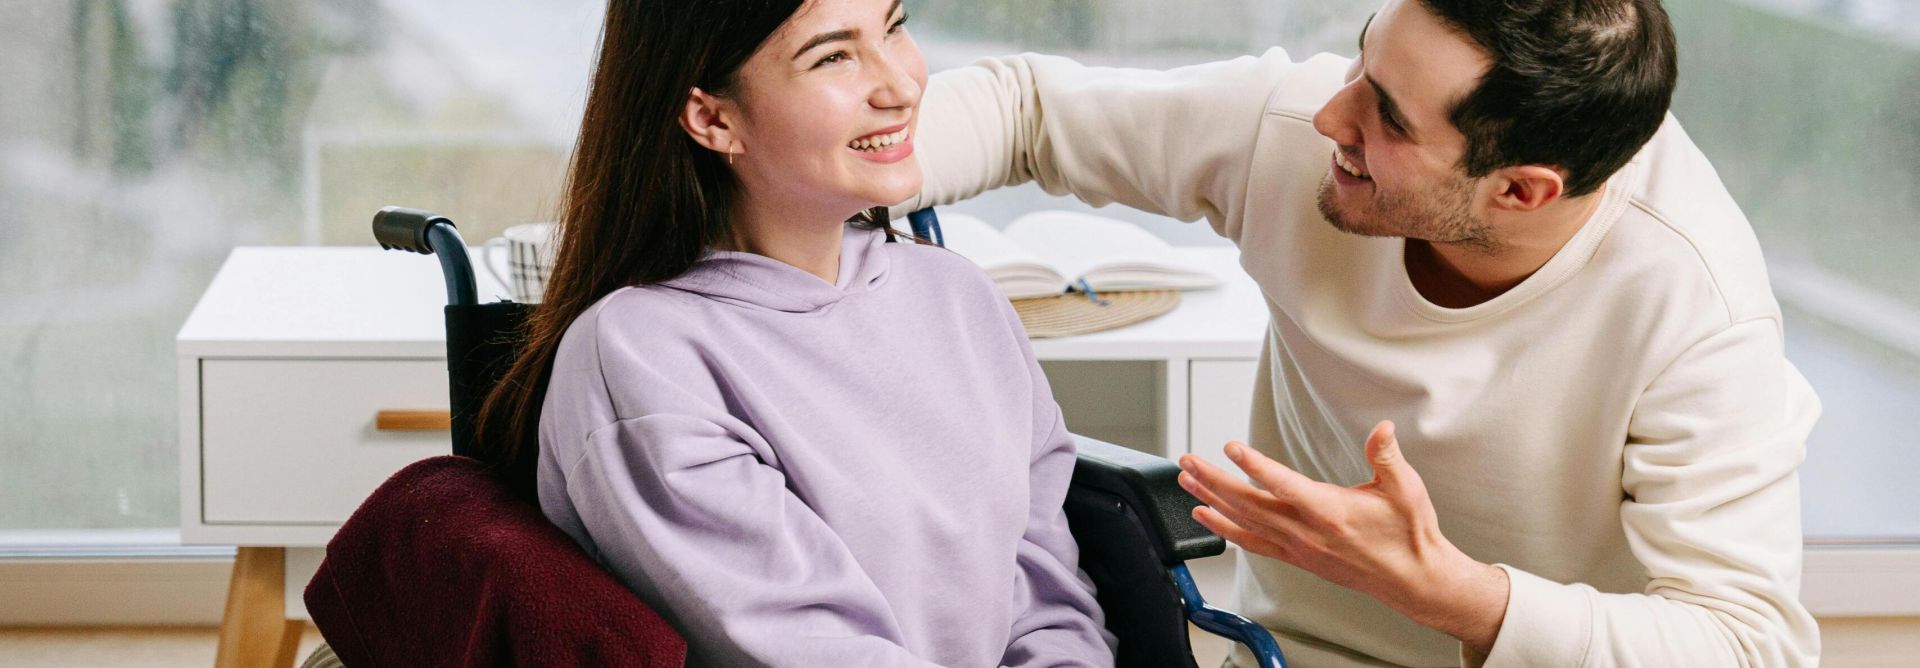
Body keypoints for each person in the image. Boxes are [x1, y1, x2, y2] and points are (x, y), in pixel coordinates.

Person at [897, 0, 1820, 665]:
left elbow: (1747, 643)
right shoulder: (1300, 129)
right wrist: (825, 171)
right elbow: (1026, 110)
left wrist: (1450, 595)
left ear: (1520, 190)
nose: (1330, 116)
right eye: (1361, 62)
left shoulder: (1696, 309)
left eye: (1388, 119)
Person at [470, 0, 1114, 665]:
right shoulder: (643, 355)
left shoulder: (957, 295)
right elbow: (813, 649)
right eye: (834, 56)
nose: (901, 86)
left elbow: (1044, 591)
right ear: (713, 119)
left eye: (894, 28)